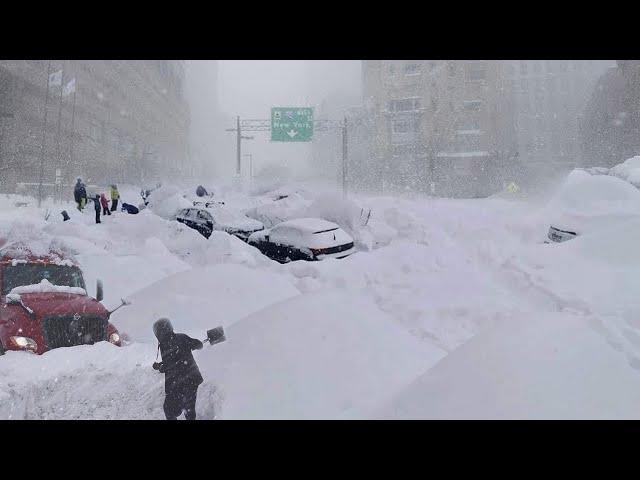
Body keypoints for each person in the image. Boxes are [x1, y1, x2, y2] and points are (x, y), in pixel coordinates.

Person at [152, 318, 204, 420]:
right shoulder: (181, 337)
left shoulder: (165, 344)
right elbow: (198, 345)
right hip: (190, 379)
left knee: (170, 409)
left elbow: (171, 363)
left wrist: (161, 367)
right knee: (188, 408)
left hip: (180, 383)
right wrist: (194, 345)